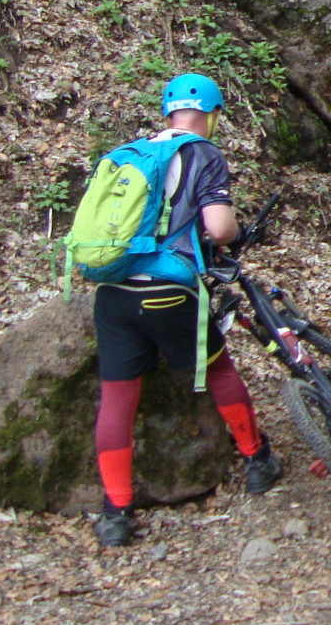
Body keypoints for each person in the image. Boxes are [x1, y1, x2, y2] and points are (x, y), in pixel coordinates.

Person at [91, 74, 283, 546]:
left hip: (113, 291)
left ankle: (116, 514)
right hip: (168, 292)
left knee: (116, 398)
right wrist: (232, 233)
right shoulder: (203, 154)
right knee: (218, 369)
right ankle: (257, 461)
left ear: (167, 112)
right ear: (212, 114)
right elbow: (218, 229)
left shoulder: (130, 153)